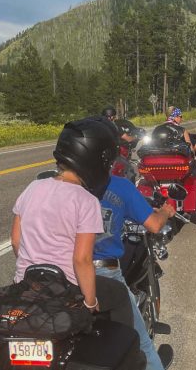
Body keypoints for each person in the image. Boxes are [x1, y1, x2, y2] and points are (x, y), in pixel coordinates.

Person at [94, 172, 196, 370]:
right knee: (141, 342)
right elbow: (152, 224)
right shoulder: (118, 185)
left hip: (56, 274)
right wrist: (165, 212)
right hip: (101, 273)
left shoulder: (57, 186)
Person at [10, 117, 132, 330]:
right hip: (66, 288)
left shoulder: (33, 187)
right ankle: (130, 355)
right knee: (120, 294)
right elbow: (82, 259)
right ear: (97, 161)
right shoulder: (86, 200)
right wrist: (90, 302)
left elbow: (15, 241)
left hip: (26, 285)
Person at [153, 108, 196, 228]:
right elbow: (190, 149)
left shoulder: (156, 129)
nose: (181, 118)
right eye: (180, 116)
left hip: (158, 168)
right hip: (177, 168)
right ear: (174, 116)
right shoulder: (181, 130)